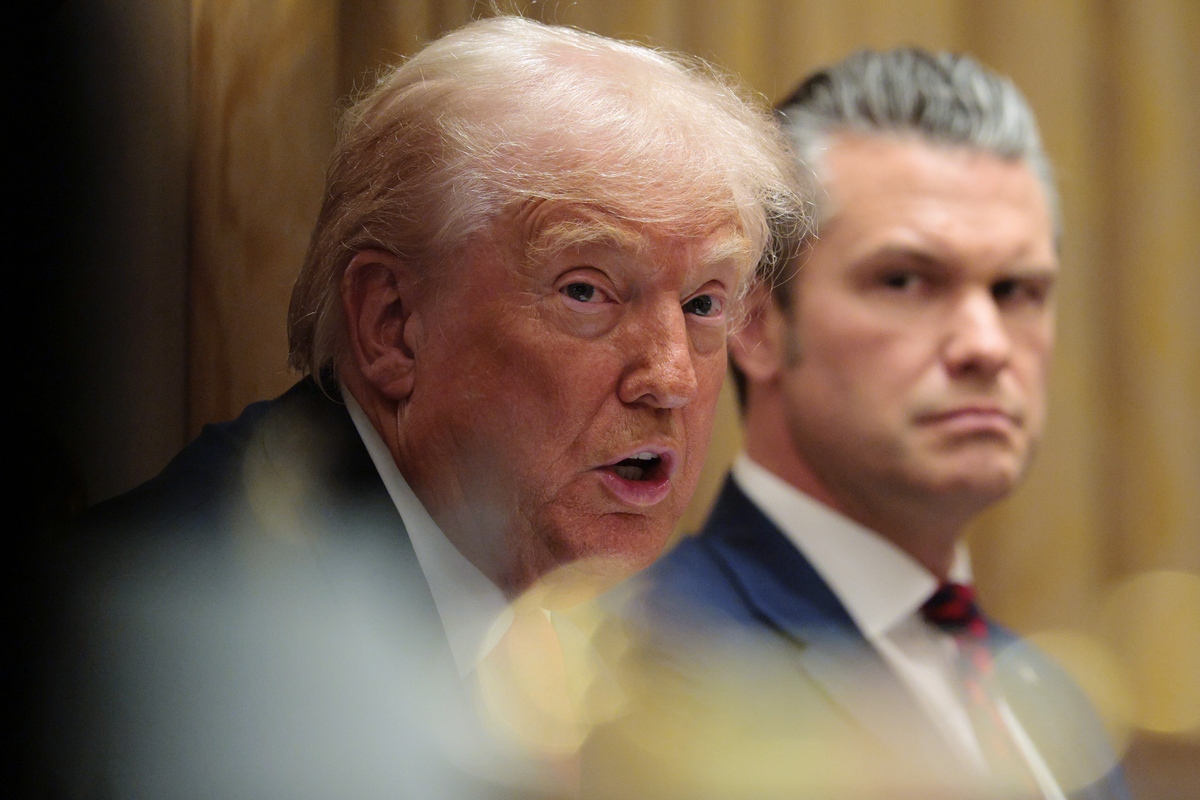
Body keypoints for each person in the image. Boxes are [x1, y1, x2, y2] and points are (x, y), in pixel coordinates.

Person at [37, 16, 806, 800]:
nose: (672, 378)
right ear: (392, 325)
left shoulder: (602, 632)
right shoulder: (190, 650)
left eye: (704, 303)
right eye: (587, 291)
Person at [586, 48, 1129, 800]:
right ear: (755, 323)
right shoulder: (645, 670)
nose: (986, 345)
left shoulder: (1058, 703)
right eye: (905, 280)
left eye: (1017, 291)